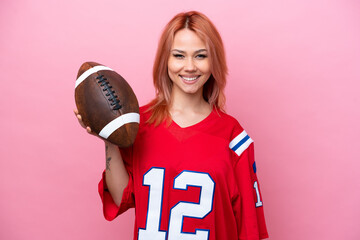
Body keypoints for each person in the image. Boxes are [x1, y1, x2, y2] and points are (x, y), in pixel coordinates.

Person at [75, 11, 268, 240]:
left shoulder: (233, 137)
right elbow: (121, 198)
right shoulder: (138, 125)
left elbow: (250, 229)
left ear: (213, 61)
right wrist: (109, 137)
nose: (189, 67)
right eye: (179, 55)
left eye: (200, 56)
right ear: (165, 60)